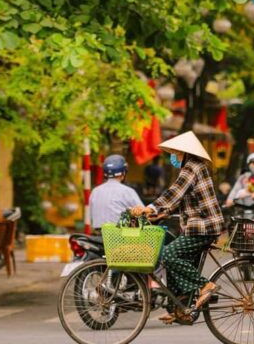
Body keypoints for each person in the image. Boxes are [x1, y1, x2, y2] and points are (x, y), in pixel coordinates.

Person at [135, 131, 224, 324]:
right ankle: (181, 309)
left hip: (203, 227)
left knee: (168, 254)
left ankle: (205, 286)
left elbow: (175, 193)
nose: (173, 157)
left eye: (175, 153)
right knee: (173, 258)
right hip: (198, 225)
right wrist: (160, 214)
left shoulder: (191, 168)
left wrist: (150, 207)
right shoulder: (193, 167)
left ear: (183, 153)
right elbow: (182, 200)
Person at [89, 155, 143, 231]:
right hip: (119, 237)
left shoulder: (95, 191)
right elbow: (143, 213)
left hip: (97, 235)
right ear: (123, 173)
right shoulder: (127, 191)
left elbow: (91, 216)